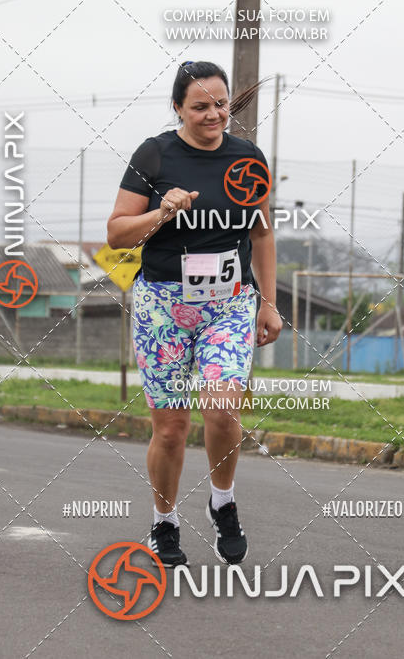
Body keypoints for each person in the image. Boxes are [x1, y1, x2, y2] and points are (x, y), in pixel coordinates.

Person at [107, 60, 282, 567]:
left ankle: (222, 502)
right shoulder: (155, 155)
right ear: (179, 108)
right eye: (201, 106)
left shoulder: (247, 157)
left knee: (224, 410)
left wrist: (267, 302)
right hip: (162, 306)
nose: (214, 115)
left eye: (221, 104)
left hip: (228, 304)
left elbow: (262, 233)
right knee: (170, 429)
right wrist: (162, 211)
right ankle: (164, 522)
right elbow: (117, 233)